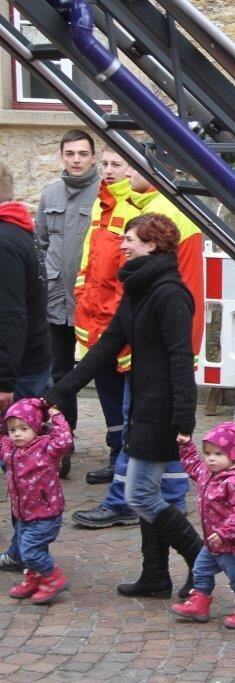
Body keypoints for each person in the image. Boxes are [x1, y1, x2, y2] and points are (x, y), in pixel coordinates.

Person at [44, 213, 204, 600]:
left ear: (152, 245)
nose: (123, 243)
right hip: (144, 408)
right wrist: (59, 392)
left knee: (140, 496)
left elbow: (181, 359)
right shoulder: (140, 289)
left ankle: (201, 561)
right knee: (151, 492)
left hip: (161, 411)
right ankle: (155, 576)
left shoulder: (169, 293)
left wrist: (184, 416)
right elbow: (105, 348)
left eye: (130, 239)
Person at [72, 167, 205, 531]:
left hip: (151, 360)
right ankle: (155, 521)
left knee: (148, 437)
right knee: (152, 439)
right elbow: (95, 269)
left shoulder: (163, 216)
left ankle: (145, 507)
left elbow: (178, 294)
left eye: (126, 164)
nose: (119, 172)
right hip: (131, 339)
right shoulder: (126, 207)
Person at [74, 147, 139, 491]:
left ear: (131, 169)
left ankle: (125, 461)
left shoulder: (134, 208)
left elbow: (125, 273)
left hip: (117, 322)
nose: (109, 171)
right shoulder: (102, 204)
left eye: (117, 164)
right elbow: (89, 257)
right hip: (95, 319)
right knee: (107, 394)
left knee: (126, 397)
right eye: (106, 164)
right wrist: (82, 296)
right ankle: (115, 456)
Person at [0, 162, 54, 574]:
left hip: (16, 372)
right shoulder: (20, 230)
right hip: (30, 364)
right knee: (27, 466)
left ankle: (26, 550)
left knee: (25, 466)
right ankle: (25, 549)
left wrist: (3, 379)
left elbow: (10, 314)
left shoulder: (4, 239)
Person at [36, 130, 101, 434]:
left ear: (93, 157)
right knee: (59, 372)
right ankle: (65, 434)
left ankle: (119, 444)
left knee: (106, 372)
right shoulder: (50, 194)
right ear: (61, 155)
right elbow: (41, 243)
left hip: (93, 299)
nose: (76, 160)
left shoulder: (106, 192)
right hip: (56, 299)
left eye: (83, 154)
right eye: (70, 153)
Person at [170, 422, 235, 628]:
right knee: (200, 570)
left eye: (219, 454)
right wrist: (186, 446)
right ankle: (200, 602)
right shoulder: (208, 472)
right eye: (208, 453)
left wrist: (224, 532)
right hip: (212, 542)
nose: (211, 458)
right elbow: (193, 465)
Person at [1, 399, 74, 604]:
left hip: (45, 514)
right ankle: (34, 578)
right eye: (12, 429)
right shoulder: (8, 448)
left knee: (31, 550)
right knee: (28, 551)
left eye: (24, 428)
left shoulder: (46, 448)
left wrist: (56, 415)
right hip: (23, 514)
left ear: (36, 428)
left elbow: (65, 440)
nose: (16, 434)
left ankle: (54, 579)